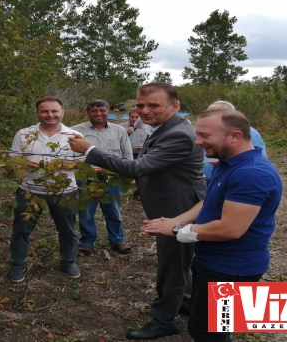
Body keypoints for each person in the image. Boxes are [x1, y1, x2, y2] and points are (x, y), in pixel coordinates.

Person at [69, 82, 206, 340]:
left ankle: (165, 320)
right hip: (175, 203)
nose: (145, 111)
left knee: (172, 265)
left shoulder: (177, 133)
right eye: (140, 105)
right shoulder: (165, 127)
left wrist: (89, 150)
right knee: (180, 262)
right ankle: (185, 302)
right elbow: (148, 167)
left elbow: (138, 167)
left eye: (153, 105)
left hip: (178, 209)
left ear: (174, 106)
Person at [141, 107, 283, 342]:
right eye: (198, 134)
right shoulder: (228, 164)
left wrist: (177, 231)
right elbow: (210, 203)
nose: (197, 142)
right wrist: (177, 220)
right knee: (205, 326)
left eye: (205, 136)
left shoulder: (252, 174)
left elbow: (230, 229)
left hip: (232, 269)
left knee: (210, 333)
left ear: (234, 136)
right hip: (212, 262)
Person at [8, 97, 83, 283]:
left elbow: (85, 164)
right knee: (21, 230)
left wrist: (65, 164)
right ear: (38, 113)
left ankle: (68, 261)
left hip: (64, 192)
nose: (50, 115)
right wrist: (23, 161)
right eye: (45, 111)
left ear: (62, 112)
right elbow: (10, 162)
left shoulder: (74, 136)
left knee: (68, 230)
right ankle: (18, 264)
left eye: (54, 111)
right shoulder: (24, 134)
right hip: (29, 190)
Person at [72, 100, 133, 256]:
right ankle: (87, 241)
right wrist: (88, 168)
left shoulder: (119, 130)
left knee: (113, 211)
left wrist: (115, 170)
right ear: (88, 112)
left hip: (112, 179)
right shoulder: (76, 131)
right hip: (86, 178)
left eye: (102, 110)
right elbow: (69, 156)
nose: (98, 114)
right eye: (94, 111)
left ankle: (117, 240)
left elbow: (127, 156)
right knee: (86, 212)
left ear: (108, 111)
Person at [202, 101, 267, 183]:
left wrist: (227, 162)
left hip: (230, 182)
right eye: (209, 114)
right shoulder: (204, 132)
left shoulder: (249, 132)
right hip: (204, 183)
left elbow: (257, 160)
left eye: (217, 114)